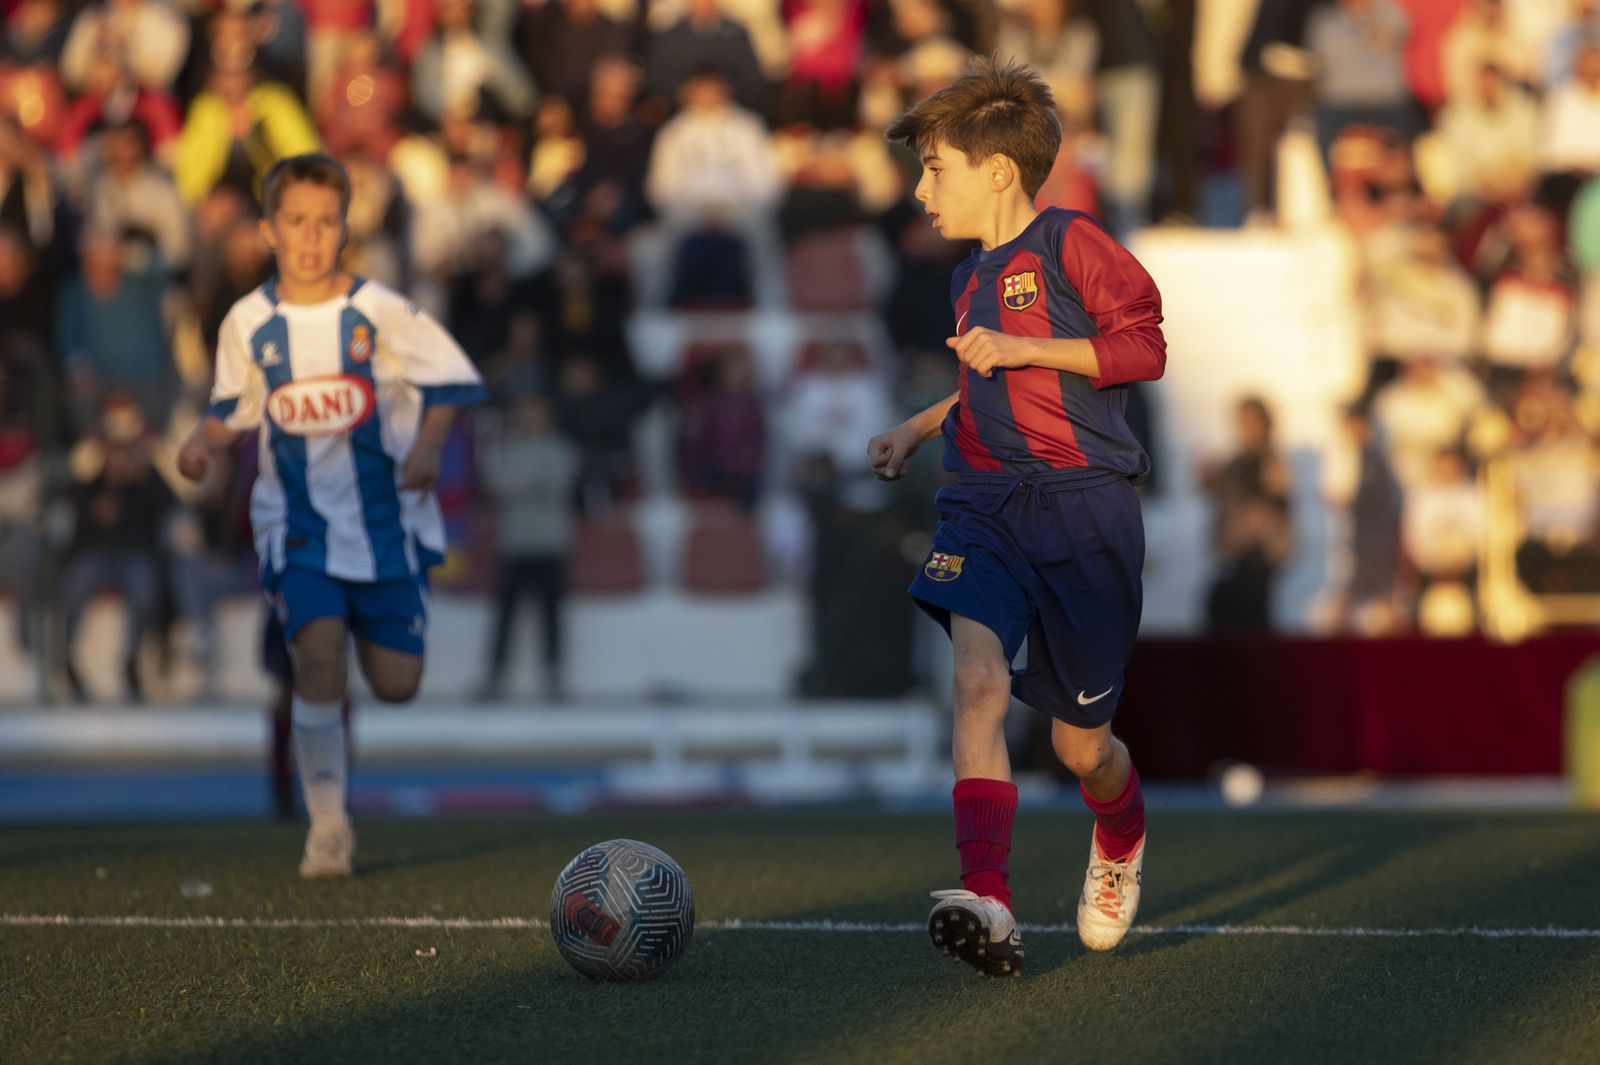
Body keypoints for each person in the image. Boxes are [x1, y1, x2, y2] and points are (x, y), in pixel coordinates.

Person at [868, 59, 1166, 975]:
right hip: (985, 504)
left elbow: (1146, 345)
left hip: (1086, 511)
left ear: (999, 169)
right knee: (976, 681)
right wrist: (919, 427)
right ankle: (987, 898)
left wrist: (1024, 343)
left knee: (1083, 750)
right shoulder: (968, 277)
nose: (920, 190)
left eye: (935, 169)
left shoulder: (1073, 240)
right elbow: (982, 381)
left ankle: (1118, 838)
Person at [177, 153, 486, 879]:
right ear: (267, 230)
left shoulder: (379, 312)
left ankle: (358, 631)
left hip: (385, 528)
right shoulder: (249, 321)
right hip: (298, 527)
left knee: (397, 683)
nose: (310, 237)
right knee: (316, 655)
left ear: (344, 231)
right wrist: (201, 441)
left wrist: (430, 446)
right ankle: (328, 827)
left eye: (324, 222)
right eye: (295, 222)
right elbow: (232, 409)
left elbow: (450, 380)